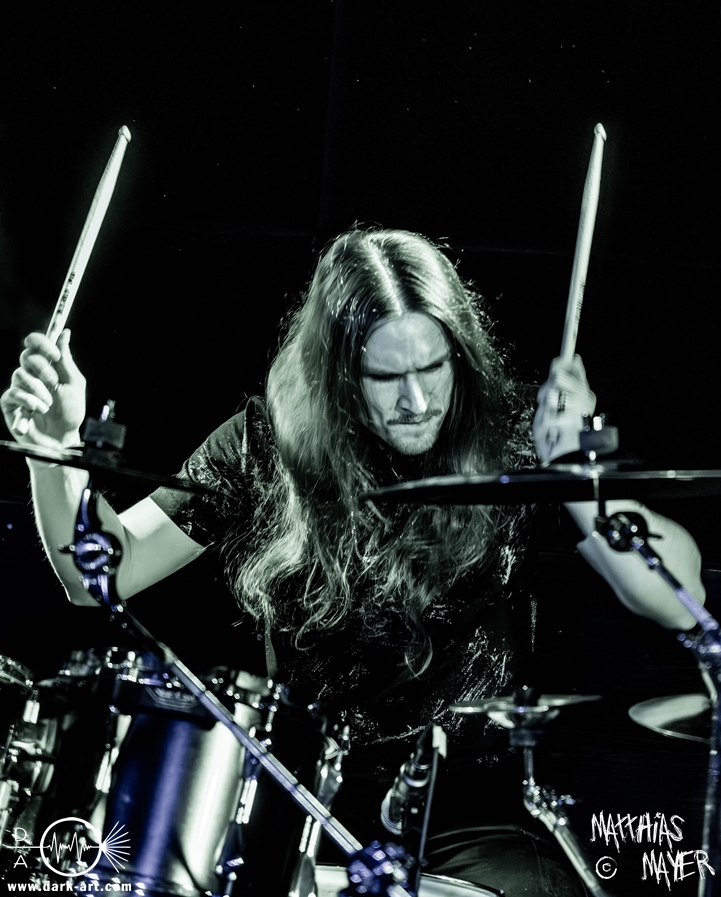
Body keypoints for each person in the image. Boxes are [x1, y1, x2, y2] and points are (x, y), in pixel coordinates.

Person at [1, 228, 705, 896]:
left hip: (472, 813)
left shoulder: (510, 438)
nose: (417, 401)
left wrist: (577, 475)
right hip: (299, 800)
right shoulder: (265, 445)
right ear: (337, 376)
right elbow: (99, 574)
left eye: (432, 368)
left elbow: (678, 596)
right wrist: (54, 450)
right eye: (386, 376)